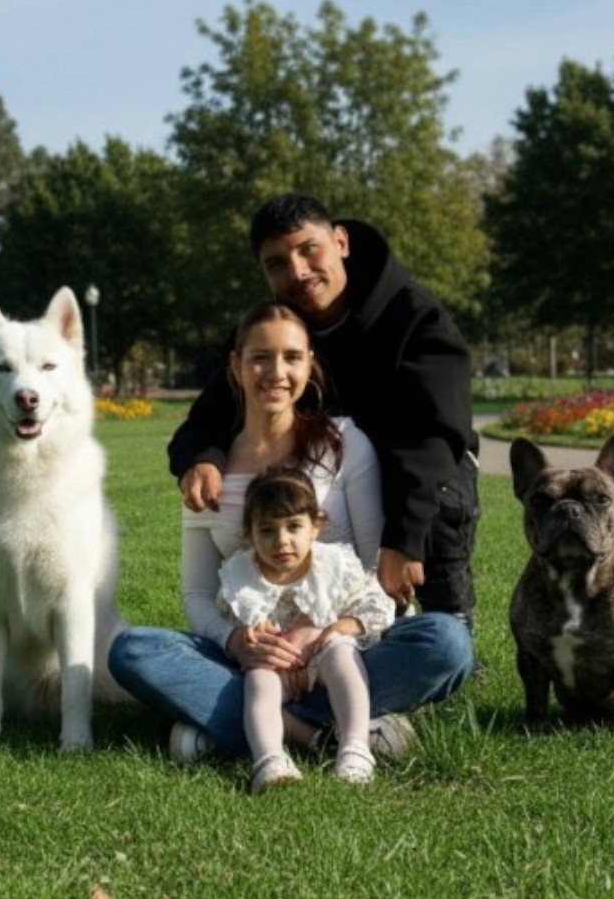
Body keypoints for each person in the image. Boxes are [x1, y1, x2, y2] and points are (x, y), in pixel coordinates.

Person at [109, 299, 472, 767]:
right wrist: (237, 641)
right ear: (235, 367)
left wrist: (326, 633)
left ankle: (241, 729)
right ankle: (327, 733)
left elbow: (369, 570)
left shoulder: (343, 446)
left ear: (310, 367)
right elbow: (199, 595)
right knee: (132, 650)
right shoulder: (207, 468)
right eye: (260, 357)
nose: (275, 372)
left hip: (341, 648)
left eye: (292, 357)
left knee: (447, 642)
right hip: (254, 656)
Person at [170, 193, 481, 622]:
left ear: (341, 241)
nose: (297, 271)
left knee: (442, 637)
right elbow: (207, 416)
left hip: (420, 473)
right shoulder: (277, 331)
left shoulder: (415, 318)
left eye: (307, 249)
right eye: (276, 263)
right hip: (329, 486)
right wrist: (200, 457)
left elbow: (436, 434)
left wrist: (404, 538)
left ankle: (450, 617)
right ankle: (303, 627)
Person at [222, 466, 396, 791]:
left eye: (293, 527)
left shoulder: (334, 564)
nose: (282, 541)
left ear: (315, 527)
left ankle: (355, 748)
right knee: (258, 679)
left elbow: (378, 605)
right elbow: (230, 621)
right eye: (267, 531)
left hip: (324, 659)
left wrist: (341, 626)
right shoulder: (240, 575)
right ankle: (270, 759)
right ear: (250, 535)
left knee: (341, 652)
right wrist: (249, 638)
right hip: (279, 669)